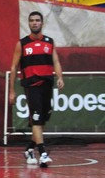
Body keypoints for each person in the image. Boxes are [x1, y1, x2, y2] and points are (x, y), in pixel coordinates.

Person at [8, 11, 64, 168]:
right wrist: (12, 90)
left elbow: (56, 62)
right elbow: (13, 67)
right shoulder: (22, 44)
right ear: (28, 23)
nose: (34, 23)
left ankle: (29, 149)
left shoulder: (49, 42)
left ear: (42, 23)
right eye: (31, 20)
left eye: (37, 20)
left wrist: (60, 77)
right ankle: (43, 153)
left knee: (41, 122)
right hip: (32, 86)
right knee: (37, 121)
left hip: (47, 85)